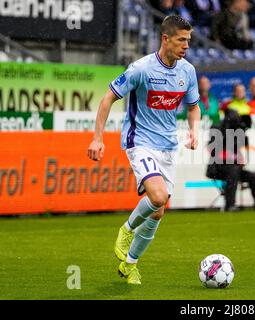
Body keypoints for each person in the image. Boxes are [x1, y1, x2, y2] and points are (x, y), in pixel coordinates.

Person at [87, 15, 201, 285]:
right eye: (181, 40)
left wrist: (195, 130)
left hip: (168, 147)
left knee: (158, 211)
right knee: (158, 196)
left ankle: (130, 264)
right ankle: (127, 229)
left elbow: (193, 106)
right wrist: (97, 138)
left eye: (189, 40)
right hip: (140, 142)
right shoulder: (141, 69)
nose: (186, 46)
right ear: (166, 38)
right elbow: (108, 98)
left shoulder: (188, 71)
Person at [206, 108, 255, 212]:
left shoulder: (235, 132)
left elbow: (238, 153)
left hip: (234, 168)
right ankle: (229, 205)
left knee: (253, 177)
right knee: (233, 172)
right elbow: (214, 150)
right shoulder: (218, 128)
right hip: (218, 168)